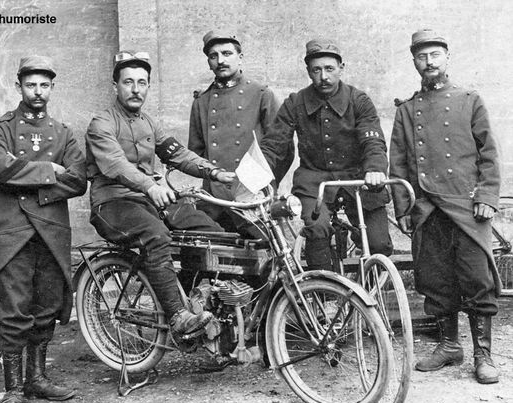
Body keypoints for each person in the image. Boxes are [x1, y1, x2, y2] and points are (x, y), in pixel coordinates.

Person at [86, 51, 235, 338]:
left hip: (147, 199)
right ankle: (178, 317)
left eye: (142, 83)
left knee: (210, 232)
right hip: (113, 202)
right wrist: (152, 187)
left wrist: (213, 172)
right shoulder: (101, 124)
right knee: (156, 235)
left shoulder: (150, 123)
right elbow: (116, 165)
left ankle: (198, 299)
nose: (135, 89)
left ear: (148, 87)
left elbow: (177, 153)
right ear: (114, 86)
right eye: (128, 82)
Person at [0, 55, 86, 403]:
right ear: (18, 86)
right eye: (30, 85)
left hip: (51, 232)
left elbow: (78, 180)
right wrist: (50, 170)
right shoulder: (1, 127)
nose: (37, 92)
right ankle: (12, 390)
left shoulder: (64, 132)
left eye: (44, 85)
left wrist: (34, 181)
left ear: (52, 88)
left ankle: (37, 377)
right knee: (14, 311)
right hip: (12, 232)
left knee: (47, 307)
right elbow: (3, 170)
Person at [389, 29, 501, 384]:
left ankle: (484, 354)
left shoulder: (470, 99)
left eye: (435, 55)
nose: (429, 62)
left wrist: (486, 197)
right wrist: (405, 209)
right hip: (428, 209)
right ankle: (449, 345)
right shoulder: (407, 111)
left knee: (476, 279)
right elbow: (399, 164)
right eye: (422, 57)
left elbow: (488, 153)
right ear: (414, 62)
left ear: (447, 56)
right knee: (435, 280)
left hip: (467, 207)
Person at [260, 38, 392, 270]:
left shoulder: (358, 100)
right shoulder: (295, 102)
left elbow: (373, 140)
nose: (324, 77)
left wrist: (374, 169)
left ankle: (369, 289)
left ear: (341, 68)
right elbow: (274, 145)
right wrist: (255, 179)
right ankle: (325, 295)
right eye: (316, 70)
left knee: (378, 242)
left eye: (330, 69)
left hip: (358, 179)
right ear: (309, 72)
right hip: (315, 182)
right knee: (317, 230)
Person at [188, 31, 280, 235]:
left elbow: (281, 147)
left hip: (253, 194)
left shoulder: (261, 94)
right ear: (208, 62)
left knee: (264, 253)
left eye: (227, 53)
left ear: (240, 57)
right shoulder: (201, 101)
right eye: (213, 56)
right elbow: (194, 152)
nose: (220, 60)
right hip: (214, 197)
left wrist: (266, 186)